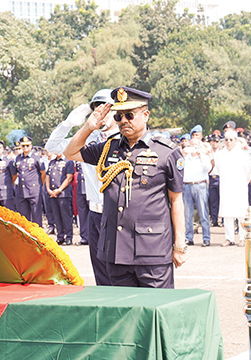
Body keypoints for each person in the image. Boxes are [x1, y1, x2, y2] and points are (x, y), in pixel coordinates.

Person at [64, 86, 186, 288]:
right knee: (123, 315)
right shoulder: (109, 148)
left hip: (152, 251)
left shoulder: (166, 152)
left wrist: (179, 246)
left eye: (129, 115)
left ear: (145, 115)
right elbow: (70, 152)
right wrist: (89, 127)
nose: (123, 121)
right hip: (116, 250)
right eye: (118, 117)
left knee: (155, 312)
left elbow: (176, 200)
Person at [45, 88, 119, 285]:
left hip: (117, 213)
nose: (101, 115)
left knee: (119, 270)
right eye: (96, 110)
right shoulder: (87, 140)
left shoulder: (124, 140)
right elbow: (51, 147)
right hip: (94, 213)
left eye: (106, 109)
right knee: (100, 271)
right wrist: (68, 124)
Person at [213, 130, 251, 246]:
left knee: (241, 213)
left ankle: (242, 237)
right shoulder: (219, 155)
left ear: (236, 140)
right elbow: (219, 170)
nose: (228, 142)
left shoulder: (242, 154)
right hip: (226, 186)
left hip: (239, 186)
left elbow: (248, 171)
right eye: (226, 140)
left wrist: (242, 183)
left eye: (231, 140)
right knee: (227, 212)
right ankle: (229, 238)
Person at [182, 125, 211, 247]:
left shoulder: (204, 157)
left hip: (200, 185)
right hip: (187, 186)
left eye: (196, 145)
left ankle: (206, 238)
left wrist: (200, 155)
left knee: (203, 213)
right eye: (192, 145)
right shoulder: (185, 157)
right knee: (187, 214)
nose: (194, 148)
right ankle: (189, 237)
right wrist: (184, 153)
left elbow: (208, 168)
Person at [12, 136, 45, 225]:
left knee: (36, 216)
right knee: (24, 217)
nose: (25, 148)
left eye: (27, 145)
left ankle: (37, 236)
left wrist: (39, 185)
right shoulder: (18, 158)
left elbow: (43, 173)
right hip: (22, 191)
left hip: (34, 191)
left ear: (31, 146)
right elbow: (16, 173)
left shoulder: (36, 157)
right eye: (23, 146)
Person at [45, 154, 75, 245]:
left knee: (66, 216)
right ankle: (60, 236)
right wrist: (48, 189)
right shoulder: (52, 162)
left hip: (63, 193)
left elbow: (69, 178)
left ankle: (69, 237)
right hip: (53, 194)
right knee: (56, 216)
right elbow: (47, 176)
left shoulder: (68, 161)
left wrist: (59, 190)